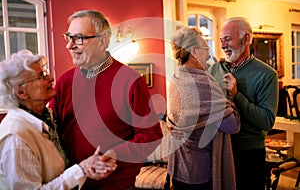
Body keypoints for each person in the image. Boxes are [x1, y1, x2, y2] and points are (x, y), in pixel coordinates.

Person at [49, 10, 163, 190]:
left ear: (102, 41)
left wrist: (116, 154)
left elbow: (152, 135)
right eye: (68, 37)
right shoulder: (64, 82)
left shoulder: (130, 80)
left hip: (116, 186)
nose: (69, 45)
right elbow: (52, 131)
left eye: (79, 38)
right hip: (72, 183)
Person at [0, 49, 117, 189]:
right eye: (41, 76)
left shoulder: (47, 116)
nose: (50, 78)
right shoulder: (16, 139)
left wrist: (90, 166)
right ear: (21, 92)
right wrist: (82, 169)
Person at [208, 17, 279, 190]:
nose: (223, 45)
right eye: (221, 40)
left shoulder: (267, 75)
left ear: (246, 39)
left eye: (228, 39)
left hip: (248, 155)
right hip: (217, 150)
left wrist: (237, 95)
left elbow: (267, 121)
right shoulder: (214, 70)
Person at [167, 27, 240, 190]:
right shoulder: (201, 84)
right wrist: (230, 96)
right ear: (193, 51)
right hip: (198, 171)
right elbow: (231, 125)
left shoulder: (176, 77)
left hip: (179, 165)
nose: (209, 55)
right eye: (206, 49)